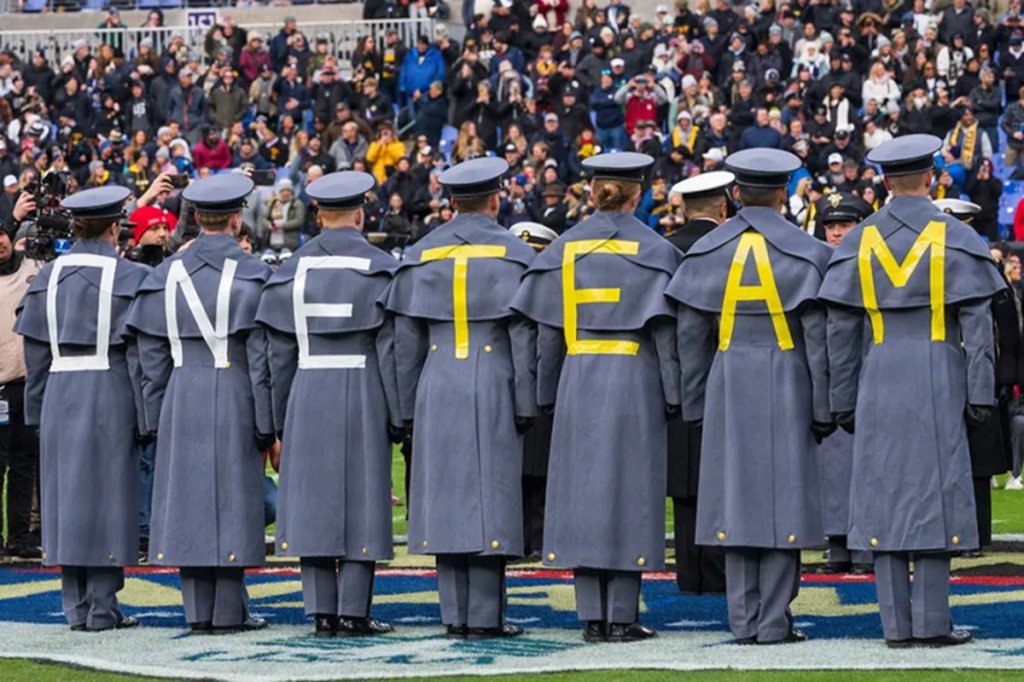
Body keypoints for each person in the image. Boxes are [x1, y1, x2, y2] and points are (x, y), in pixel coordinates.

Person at [818, 135, 1006, 648]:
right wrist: (981, 392)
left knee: (881, 492)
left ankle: (895, 627)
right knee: (937, 489)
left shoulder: (859, 240)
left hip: (878, 368)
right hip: (937, 366)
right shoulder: (956, 237)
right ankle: (932, 623)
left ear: (883, 182)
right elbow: (978, 324)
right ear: (932, 178)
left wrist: (842, 397)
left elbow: (839, 328)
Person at [511, 152, 683, 643]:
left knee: (579, 491)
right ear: (639, 194)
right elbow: (668, 335)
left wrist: (546, 393)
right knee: (632, 491)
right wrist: (675, 396)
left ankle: (591, 614)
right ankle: (623, 615)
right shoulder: (657, 250)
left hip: (578, 373)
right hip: (634, 374)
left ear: (591, 193)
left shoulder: (563, 249)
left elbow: (544, 334)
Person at [665, 149, 833, 645]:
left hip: (727, 375)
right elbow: (820, 343)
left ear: (734, 194)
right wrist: (824, 405)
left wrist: (693, 403)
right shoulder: (809, 252)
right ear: (783, 193)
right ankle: (775, 620)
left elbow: (689, 340)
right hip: (787, 375)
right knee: (786, 494)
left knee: (732, 495)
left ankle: (741, 619)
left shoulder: (707, 252)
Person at [386, 157, 537, 640]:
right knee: (491, 491)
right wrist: (525, 401)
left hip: (437, 374)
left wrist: (406, 408)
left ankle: (454, 613)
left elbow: (404, 342)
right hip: (493, 374)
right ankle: (487, 614)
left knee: (446, 493)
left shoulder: (420, 253)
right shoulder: (515, 254)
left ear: (451, 202)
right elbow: (523, 334)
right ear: (496, 199)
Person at [125, 174, 274, 635]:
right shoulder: (256, 273)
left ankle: (198, 611)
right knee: (234, 497)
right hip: (234, 388)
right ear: (235, 218)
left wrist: (153, 415)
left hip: (181, 391)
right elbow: (264, 355)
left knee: (187, 499)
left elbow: (147, 358)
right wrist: (268, 421)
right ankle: (231, 610)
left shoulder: (163, 275)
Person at [256, 172, 401, 637]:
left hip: (308, 385)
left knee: (312, 500)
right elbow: (393, 349)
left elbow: (277, 357)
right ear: (360, 214)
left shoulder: (290, 269)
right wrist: (398, 414)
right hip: (364, 385)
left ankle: (321, 611)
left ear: (318, 215)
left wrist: (277, 420)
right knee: (363, 496)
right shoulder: (382, 267)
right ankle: (355, 611)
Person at [14, 186, 148, 631]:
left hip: (57, 390)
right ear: (114, 226)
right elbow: (137, 353)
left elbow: (34, 356)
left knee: (64, 498)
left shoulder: (48, 277)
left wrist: (37, 414)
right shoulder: (128, 276)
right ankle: (104, 606)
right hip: (108, 385)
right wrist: (144, 415)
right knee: (109, 496)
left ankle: (76, 607)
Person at [663, 171, 736, 596]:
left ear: (683, 208)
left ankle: (689, 573)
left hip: (673, 377)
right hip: (724, 370)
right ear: (723, 207)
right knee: (724, 480)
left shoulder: (664, 248)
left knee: (685, 480)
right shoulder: (727, 246)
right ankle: (720, 571)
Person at [935, 199, 1019, 556]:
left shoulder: (987, 267)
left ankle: (977, 534)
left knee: (979, 463)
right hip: (939, 366)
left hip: (979, 368)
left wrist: (1005, 375)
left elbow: (1008, 327)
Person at [812, 192, 875, 576]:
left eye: (844, 225)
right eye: (831, 226)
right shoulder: (816, 261)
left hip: (869, 370)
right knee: (832, 466)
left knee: (865, 464)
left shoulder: (873, 260)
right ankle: (837, 545)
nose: (836, 233)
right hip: (828, 372)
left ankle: (866, 546)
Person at [508, 221, 559, 560]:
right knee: (534, 474)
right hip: (535, 386)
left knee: (531, 473)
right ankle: (534, 539)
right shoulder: (549, 284)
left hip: (521, 385)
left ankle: (527, 539)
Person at [0, 195, 43, 560]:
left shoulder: (32, 269)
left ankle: (21, 537)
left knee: (25, 465)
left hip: (25, 385)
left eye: (1, 233)